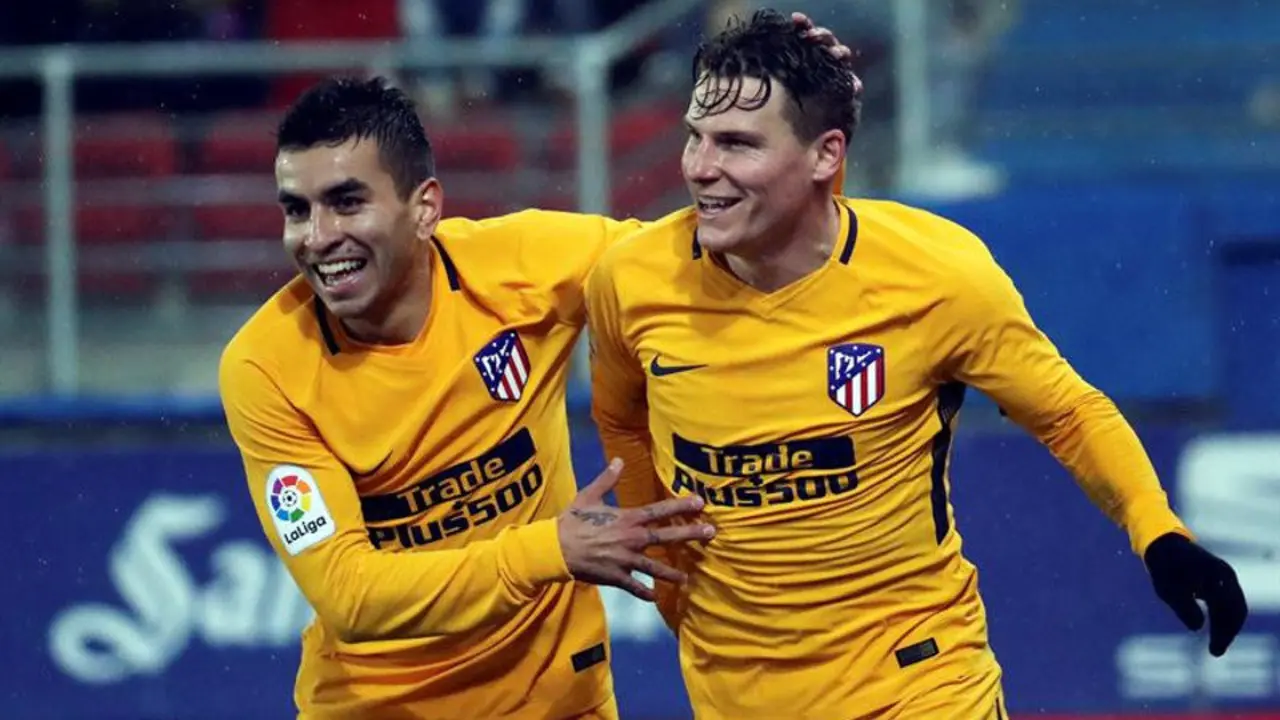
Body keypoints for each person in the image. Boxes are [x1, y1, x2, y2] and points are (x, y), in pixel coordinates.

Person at [584, 9, 1249, 720]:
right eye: (696, 135)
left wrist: (1157, 531)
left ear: (825, 155)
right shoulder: (633, 278)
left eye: (738, 143)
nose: (700, 167)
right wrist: (663, 560)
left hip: (919, 685)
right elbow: (621, 419)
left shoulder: (935, 277)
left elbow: (1068, 412)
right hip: (732, 695)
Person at [218, 15, 852, 719]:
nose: (317, 237)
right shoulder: (265, 366)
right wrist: (549, 550)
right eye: (297, 210)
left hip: (560, 701)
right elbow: (350, 596)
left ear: (425, 208)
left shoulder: (524, 264)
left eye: (346, 202)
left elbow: (722, 248)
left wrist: (808, 112)